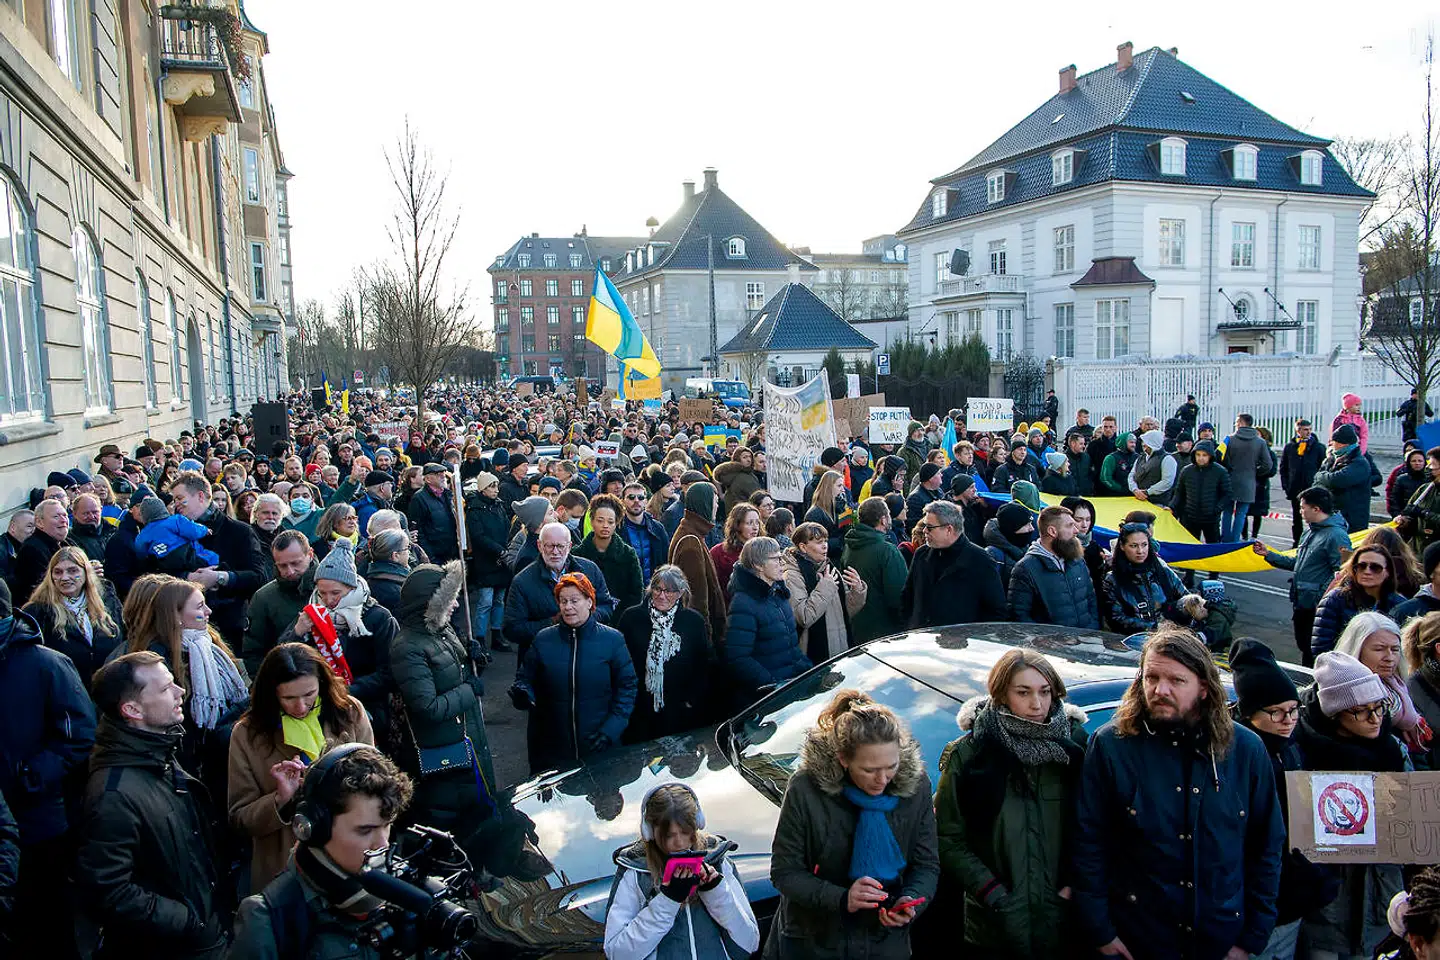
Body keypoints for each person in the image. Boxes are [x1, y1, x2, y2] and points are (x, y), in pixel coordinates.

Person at [1071, 627, 1284, 960]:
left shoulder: (1245, 750)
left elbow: (1267, 847)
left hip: (1220, 939)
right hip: (1136, 938)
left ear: (1203, 687)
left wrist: (1251, 938)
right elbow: (1087, 843)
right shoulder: (1112, 746)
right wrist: (1100, 930)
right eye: (1151, 677)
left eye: (1176, 680)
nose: (1159, 689)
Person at [935, 648, 1089, 957]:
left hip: (1061, 919)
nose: (1037, 704)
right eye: (1024, 692)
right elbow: (948, 838)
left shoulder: (1074, 747)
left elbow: (1095, 827)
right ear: (1002, 694)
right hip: (994, 924)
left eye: (1045, 692)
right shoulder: (970, 755)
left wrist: (1073, 882)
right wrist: (991, 892)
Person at [766, 689, 938, 959]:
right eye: (869, 770)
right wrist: (842, 898)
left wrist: (912, 899)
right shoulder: (805, 788)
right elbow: (785, 872)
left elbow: (926, 865)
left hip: (884, 942)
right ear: (843, 759)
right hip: (815, 942)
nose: (882, 779)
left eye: (891, 766)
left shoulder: (916, 787)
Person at [77, 651, 225, 959]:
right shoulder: (113, 795)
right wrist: (187, 920)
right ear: (132, 709)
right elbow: (109, 891)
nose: (180, 691)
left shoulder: (160, 754)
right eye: (165, 688)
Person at [229, 744, 415, 958]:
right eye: (365, 830)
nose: (382, 844)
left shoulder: (407, 894)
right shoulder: (268, 920)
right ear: (315, 828)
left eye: (386, 826)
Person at [227, 643, 374, 895]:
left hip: (346, 860)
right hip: (284, 870)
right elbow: (240, 818)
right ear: (271, 693)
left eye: (309, 694)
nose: (301, 707)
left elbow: (377, 783)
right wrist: (280, 799)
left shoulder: (348, 713)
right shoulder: (247, 734)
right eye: (289, 698)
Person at [1227, 638, 1340, 960]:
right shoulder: (1241, 757)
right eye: (1275, 713)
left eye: (1292, 710)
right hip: (1255, 906)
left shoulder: (1290, 749)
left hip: (1290, 904)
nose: (1288, 720)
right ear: (1248, 714)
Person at [0, 577, 95, 959]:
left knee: (47, 920)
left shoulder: (47, 665)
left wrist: (31, 775)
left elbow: (78, 733)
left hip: (37, 819)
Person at [1296, 651, 1407, 958]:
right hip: (1324, 901)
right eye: (1361, 711)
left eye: (1379, 707)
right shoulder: (1303, 752)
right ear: (1335, 714)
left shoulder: (1392, 749)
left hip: (1379, 893)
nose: (1374, 719)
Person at [390, 560, 498, 837]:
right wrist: (469, 690)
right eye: (449, 599)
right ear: (430, 603)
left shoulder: (442, 630)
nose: (456, 605)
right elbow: (428, 706)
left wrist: (475, 660)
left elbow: (455, 672)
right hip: (443, 756)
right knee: (452, 824)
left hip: (467, 741)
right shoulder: (408, 648)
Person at [604, 782, 760, 960]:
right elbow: (618, 954)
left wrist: (716, 892)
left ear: (697, 824)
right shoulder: (635, 872)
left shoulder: (718, 861)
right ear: (649, 831)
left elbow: (750, 943)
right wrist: (667, 901)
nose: (679, 843)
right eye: (669, 835)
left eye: (685, 832)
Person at [511, 572, 637, 774]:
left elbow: (627, 688)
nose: (568, 607)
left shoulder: (613, 640)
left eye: (574, 600)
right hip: (554, 751)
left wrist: (611, 730)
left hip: (600, 747)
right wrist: (523, 693)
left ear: (590, 602)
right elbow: (524, 679)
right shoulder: (543, 640)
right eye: (563, 601)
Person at [276, 539, 398, 733]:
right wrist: (298, 632)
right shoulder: (313, 613)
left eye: (336, 593)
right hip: (317, 709)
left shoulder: (378, 617)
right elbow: (281, 657)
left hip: (366, 709)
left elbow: (389, 672)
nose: (329, 600)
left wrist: (343, 691)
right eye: (322, 593)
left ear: (352, 588)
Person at [166, 471, 267, 653]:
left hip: (230, 630)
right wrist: (186, 577)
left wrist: (220, 577)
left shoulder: (239, 531)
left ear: (200, 496)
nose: (176, 505)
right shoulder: (171, 536)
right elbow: (159, 574)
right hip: (186, 634)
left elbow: (258, 577)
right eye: (174, 500)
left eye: (180, 498)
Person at [1255, 486, 1353, 666]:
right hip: (1302, 602)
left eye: (1302, 507)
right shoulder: (1309, 531)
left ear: (1316, 509)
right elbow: (1299, 563)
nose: (1300, 511)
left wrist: (1320, 597)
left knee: (1313, 651)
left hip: (1316, 606)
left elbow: (1343, 573)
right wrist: (1268, 555)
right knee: (1303, 646)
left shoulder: (1337, 536)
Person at [615, 566, 709, 743]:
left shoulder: (693, 621)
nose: (661, 595)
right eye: (657, 589)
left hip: (679, 709)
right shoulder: (632, 617)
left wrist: (691, 700)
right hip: (639, 709)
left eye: (669, 591)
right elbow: (619, 662)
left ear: (680, 593)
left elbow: (702, 664)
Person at [1102, 520, 1231, 645]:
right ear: (1122, 546)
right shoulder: (1112, 579)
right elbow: (1116, 619)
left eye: (1144, 545)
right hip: (1136, 642)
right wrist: (1157, 628)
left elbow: (1183, 596)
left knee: (1222, 607)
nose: (1140, 551)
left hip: (1175, 637)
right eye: (1133, 546)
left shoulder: (1162, 570)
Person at [504, 521, 615, 664]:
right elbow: (512, 629)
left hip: (587, 656)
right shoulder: (522, 581)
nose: (555, 552)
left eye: (560, 546)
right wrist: (553, 623)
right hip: (542, 662)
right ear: (540, 546)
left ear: (569, 546)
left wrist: (585, 618)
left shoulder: (590, 570)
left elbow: (606, 606)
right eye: (549, 546)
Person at [721, 537, 809, 709]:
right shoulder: (743, 602)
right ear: (758, 565)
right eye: (775, 558)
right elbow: (737, 657)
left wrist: (806, 668)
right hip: (767, 698)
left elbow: (790, 645)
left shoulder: (778, 593)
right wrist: (771, 684)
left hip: (789, 688)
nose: (781, 562)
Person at [23, 545, 124, 692]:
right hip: (66, 694)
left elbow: (124, 636)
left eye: (72, 570)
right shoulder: (38, 611)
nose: (64, 578)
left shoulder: (107, 598)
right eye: (57, 572)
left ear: (86, 572)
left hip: (110, 690)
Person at [1333, 611, 1433, 756]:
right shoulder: (1341, 695)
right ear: (1357, 649)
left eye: (1395, 649)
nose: (1389, 657)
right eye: (1379, 649)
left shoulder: (1399, 688)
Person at [904, 500, 1006, 628]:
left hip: (961, 643)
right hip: (922, 641)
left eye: (929, 527)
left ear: (948, 529)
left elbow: (996, 611)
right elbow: (907, 596)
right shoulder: (921, 554)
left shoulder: (980, 560)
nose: (924, 531)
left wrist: (972, 638)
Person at [781, 522, 867, 662]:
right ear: (803, 547)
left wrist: (857, 591)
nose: (825, 545)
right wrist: (825, 587)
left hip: (839, 647)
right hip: (813, 655)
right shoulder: (791, 575)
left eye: (826, 541)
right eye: (819, 542)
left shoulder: (828, 568)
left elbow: (846, 612)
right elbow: (804, 617)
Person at [1007, 505, 1100, 629]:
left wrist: (1091, 632)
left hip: (1086, 642)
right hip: (1052, 646)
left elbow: (1091, 600)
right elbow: (1019, 616)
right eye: (1069, 526)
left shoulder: (1077, 560)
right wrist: (1049, 642)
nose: (1076, 531)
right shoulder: (1026, 568)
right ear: (1052, 531)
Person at [241, 530, 316, 676]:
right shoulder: (263, 598)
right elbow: (253, 654)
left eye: (296, 563)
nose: (290, 571)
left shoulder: (330, 588)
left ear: (310, 554)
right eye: (283, 566)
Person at [1311, 545, 1406, 659]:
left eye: (1375, 568)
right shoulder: (1335, 599)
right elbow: (1321, 648)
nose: (1367, 571)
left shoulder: (1400, 605)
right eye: (1361, 566)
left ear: (1388, 572)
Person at [841, 497, 908, 646]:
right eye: (889, 514)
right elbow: (899, 596)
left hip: (857, 630)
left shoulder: (849, 546)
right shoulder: (887, 551)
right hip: (885, 635)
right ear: (883, 520)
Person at [668, 481, 728, 647]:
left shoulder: (694, 532)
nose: (717, 506)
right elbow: (697, 601)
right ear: (705, 503)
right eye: (715, 502)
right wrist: (706, 644)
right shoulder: (690, 542)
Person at [463, 471, 514, 651]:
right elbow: (478, 536)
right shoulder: (474, 508)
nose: (495, 490)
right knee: (485, 601)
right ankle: (480, 638)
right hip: (486, 559)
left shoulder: (499, 505)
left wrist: (505, 549)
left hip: (501, 559)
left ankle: (496, 634)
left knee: (499, 600)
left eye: (496, 486)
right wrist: (499, 550)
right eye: (491, 486)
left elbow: (506, 527)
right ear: (483, 488)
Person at [576, 493, 645, 622]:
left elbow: (635, 594)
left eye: (610, 521)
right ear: (592, 521)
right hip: (584, 620)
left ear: (616, 523)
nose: (605, 526)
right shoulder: (577, 554)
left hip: (620, 621)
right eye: (600, 520)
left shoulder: (627, 554)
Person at [1219, 413, 1275, 542]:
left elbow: (1221, 458)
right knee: (1241, 514)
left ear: (1240, 423)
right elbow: (1268, 464)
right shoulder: (1260, 442)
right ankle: (1235, 541)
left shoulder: (1229, 439)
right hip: (1249, 481)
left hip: (1229, 480)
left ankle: (1225, 541)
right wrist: (1255, 472)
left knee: (1227, 512)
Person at [13, 498, 73, 604]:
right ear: (39, 522)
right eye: (56, 516)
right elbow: (44, 589)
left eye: (65, 515)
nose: (63, 520)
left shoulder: (68, 542)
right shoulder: (32, 549)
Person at [1315, 424, 1372, 534]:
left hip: (1352, 520)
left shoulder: (1359, 463)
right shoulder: (1331, 460)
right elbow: (1316, 481)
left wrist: (1321, 476)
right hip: (1332, 515)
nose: (1331, 444)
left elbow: (1336, 480)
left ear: (1343, 444)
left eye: (1334, 441)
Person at [1171, 439, 1231, 544]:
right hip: (1190, 517)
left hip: (1211, 518)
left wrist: (1217, 509)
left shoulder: (1220, 471)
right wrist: (1172, 506)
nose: (1200, 458)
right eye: (1198, 455)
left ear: (1210, 456)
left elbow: (1227, 494)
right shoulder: (1186, 471)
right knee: (1190, 546)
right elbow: (1179, 492)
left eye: (1204, 455)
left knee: (1213, 547)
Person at [1280, 420, 1324, 548]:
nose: (1308, 432)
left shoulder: (1318, 447)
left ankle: (1314, 543)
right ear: (1298, 431)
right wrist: (1286, 486)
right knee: (1297, 518)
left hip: (1312, 488)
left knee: (1314, 517)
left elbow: (1322, 467)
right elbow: (1284, 469)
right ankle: (1297, 542)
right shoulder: (1290, 447)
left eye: (1309, 429)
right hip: (1295, 489)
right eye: (1305, 429)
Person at [407, 462, 460, 564]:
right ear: (427, 479)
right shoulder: (419, 498)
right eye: (438, 474)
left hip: (452, 552)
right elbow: (418, 532)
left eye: (443, 473)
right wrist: (430, 557)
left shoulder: (447, 494)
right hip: (435, 555)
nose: (443, 477)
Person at [709, 501, 760, 597]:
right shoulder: (718, 552)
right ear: (737, 525)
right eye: (749, 523)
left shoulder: (763, 551)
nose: (755, 527)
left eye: (757, 522)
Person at [983, 500, 1034, 589]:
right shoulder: (993, 555)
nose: (1032, 529)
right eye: (1027, 525)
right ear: (1012, 528)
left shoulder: (1027, 547)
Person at [1400, 447, 1440, 558]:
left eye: (1432, 466)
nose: (1428, 469)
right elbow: (1409, 511)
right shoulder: (1425, 489)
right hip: (1418, 550)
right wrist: (1404, 520)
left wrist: (1425, 513)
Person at [804, 470, 850, 564]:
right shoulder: (814, 513)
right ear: (829, 487)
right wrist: (841, 541)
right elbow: (815, 544)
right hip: (824, 562)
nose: (843, 489)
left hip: (839, 559)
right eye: (839, 486)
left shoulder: (839, 507)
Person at [1128, 429, 1177, 507]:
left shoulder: (1167, 459)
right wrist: (1135, 490)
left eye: (1146, 442)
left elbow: (1167, 482)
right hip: (1138, 501)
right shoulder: (1140, 458)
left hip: (1158, 503)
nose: (1143, 444)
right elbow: (1131, 475)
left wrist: (1148, 492)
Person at [1390, 448, 1430, 518]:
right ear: (1409, 463)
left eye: (1420, 461)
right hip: (1405, 518)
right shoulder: (1401, 479)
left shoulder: (1430, 480)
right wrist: (1397, 515)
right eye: (1414, 461)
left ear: (1424, 462)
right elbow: (1394, 500)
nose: (1417, 463)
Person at [1098, 432, 1138, 496]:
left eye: (1134, 442)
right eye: (1131, 442)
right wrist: (1121, 489)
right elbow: (1105, 478)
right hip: (1116, 496)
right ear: (1123, 442)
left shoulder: (1137, 457)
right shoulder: (1111, 458)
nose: (1134, 445)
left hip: (1135, 495)